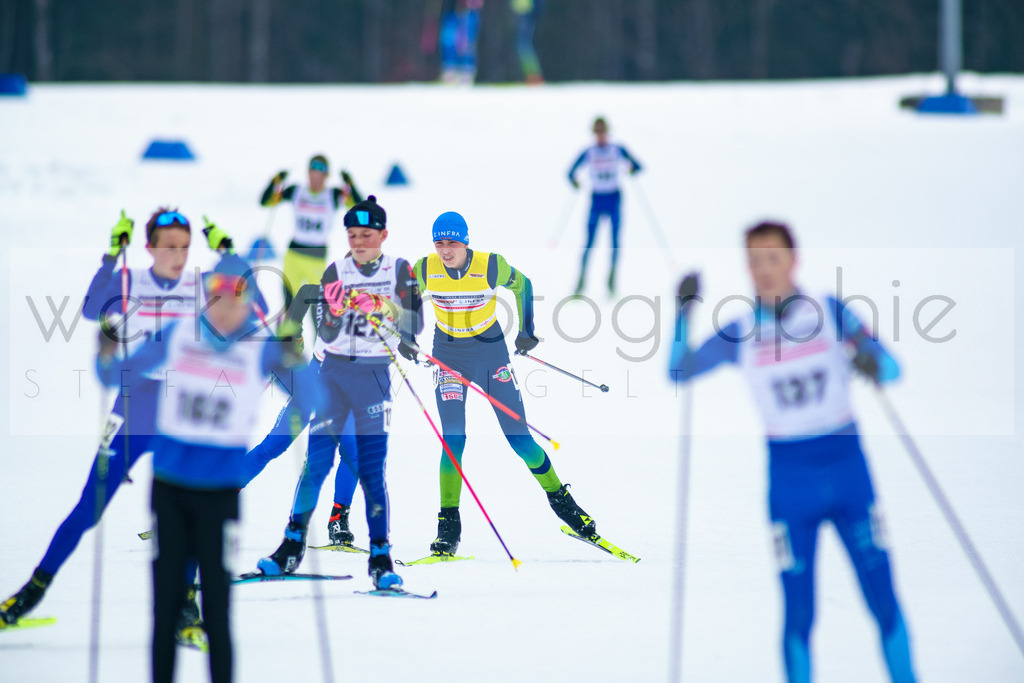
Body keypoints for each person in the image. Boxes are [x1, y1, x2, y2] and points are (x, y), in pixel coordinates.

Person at [667, 221, 917, 683]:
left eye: (773, 258)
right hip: (790, 484)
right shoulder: (740, 331)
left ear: (793, 260)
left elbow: (894, 367)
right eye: (755, 259)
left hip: (847, 475)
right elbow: (679, 371)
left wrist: (870, 359)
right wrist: (682, 314)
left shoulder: (829, 311)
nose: (764, 269)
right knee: (799, 612)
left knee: (882, 598)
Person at [0, 209, 258, 628]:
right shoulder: (127, 281)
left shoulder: (199, 286)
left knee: (187, 510)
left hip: (180, 412)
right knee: (90, 507)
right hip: (133, 406)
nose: (177, 255)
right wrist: (110, 255)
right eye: (168, 246)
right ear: (149, 247)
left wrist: (228, 252)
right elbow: (88, 310)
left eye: (184, 247)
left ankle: (185, 603)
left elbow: (250, 301)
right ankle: (31, 592)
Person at [96, 255, 313, 683]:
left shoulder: (260, 348)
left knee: (217, 606)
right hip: (171, 486)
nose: (225, 305)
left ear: (248, 301)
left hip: (218, 494)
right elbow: (116, 376)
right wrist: (106, 347)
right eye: (216, 293)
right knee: (166, 606)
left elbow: (316, 400)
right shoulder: (178, 335)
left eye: (236, 296)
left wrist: (295, 355)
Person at [257, 196, 423, 590]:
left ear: (383, 235)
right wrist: (339, 309)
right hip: (333, 375)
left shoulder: (400, 270)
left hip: (374, 377)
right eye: (352, 235)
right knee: (317, 464)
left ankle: (381, 556)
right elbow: (327, 332)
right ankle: (291, 546)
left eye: (367, 235)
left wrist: (391, 318)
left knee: (371, 469)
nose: (359, 242)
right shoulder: (335, 272)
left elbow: (414, 320)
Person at [413, 211, 598, 557]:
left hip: (489, 355)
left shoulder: (490, 265)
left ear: (465, 242)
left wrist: (526, 331)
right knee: (453, 438)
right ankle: (448, 526)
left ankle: (564, 503)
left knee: (520, 440)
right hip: (448, 357)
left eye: (452, 242)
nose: (445, 250)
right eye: (439, 243)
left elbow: (524, 285)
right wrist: (407, 333)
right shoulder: (424, 269)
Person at [259, 154, 363, 312]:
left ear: (326, 176)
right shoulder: (296, 191)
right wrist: (276, 181)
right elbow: (265, 202)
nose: (315, 179)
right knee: (289, 306)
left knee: (318, 310)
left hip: (316, 256)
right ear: (308, 173)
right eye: (312, 173)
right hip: (294, 253)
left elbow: (360, 206)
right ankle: (286, 336)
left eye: (320, 175)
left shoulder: (334, 195)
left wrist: (350, 183)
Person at [566, 117, 642, 296]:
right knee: (589, 243)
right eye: (597, 133)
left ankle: (611, 284)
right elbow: (570, 173)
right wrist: (575, 183)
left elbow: (638, 166)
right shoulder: (589, 152)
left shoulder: (617, 149)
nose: (600, 136)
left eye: (603, 133)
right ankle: (581, 284)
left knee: (615, 243)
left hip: (614, 198)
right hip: (597, 199)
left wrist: (631, 169)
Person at [438, 0, 483, 84]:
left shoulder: (472, 18)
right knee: (450, 45)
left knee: (468, 50)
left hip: (467, 20)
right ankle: (450, 72)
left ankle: (465, 74)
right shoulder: (449, 17)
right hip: (452, 17)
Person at [510, 0, 544, 84]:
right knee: (523, 45)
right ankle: (533, 76)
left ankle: (534, 76)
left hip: (526, 13)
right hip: (523, 13)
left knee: (523, 46)